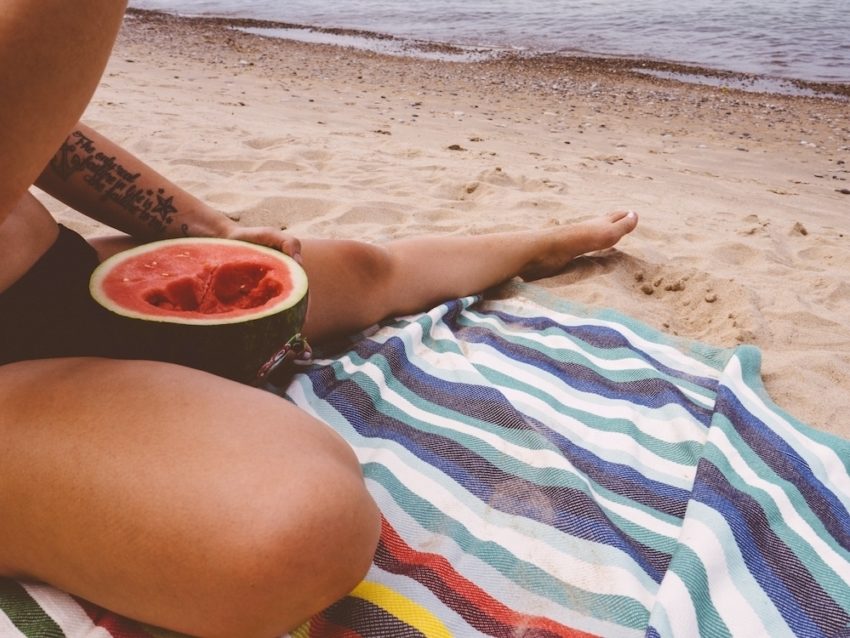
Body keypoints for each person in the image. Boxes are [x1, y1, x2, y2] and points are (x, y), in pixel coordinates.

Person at [0, 3, 638, 637]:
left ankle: (535, 246)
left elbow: (43, 131)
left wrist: (206, 227)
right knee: (301, 532)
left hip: (50, 271)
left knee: (367, 269)